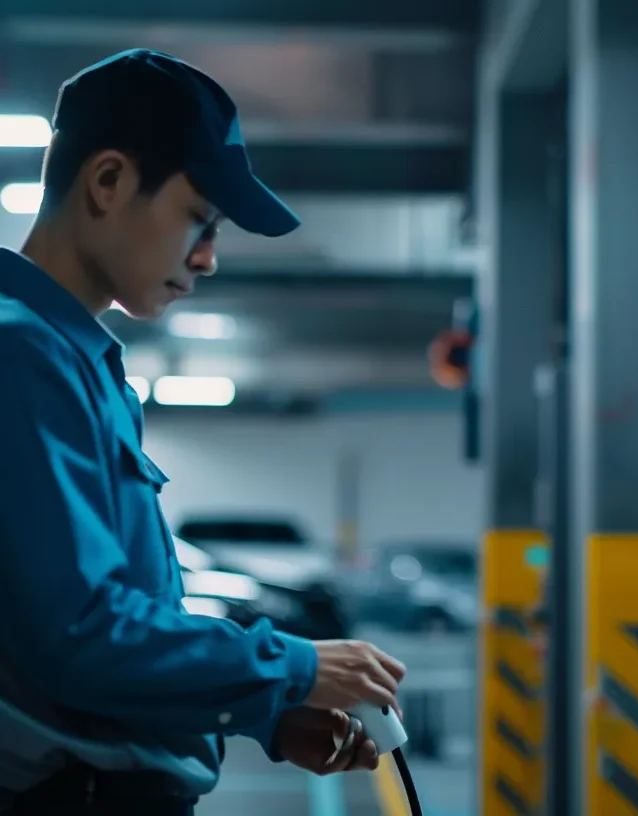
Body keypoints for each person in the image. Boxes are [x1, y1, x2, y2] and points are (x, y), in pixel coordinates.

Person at [0, 49, 407, 815]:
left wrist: (269, 716)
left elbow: (108, 641)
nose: (209, 257)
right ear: (109, 181)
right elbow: (80, 636)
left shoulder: (82, 368)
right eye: (198, 218)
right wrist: (291, 668)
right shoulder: (20, 356)